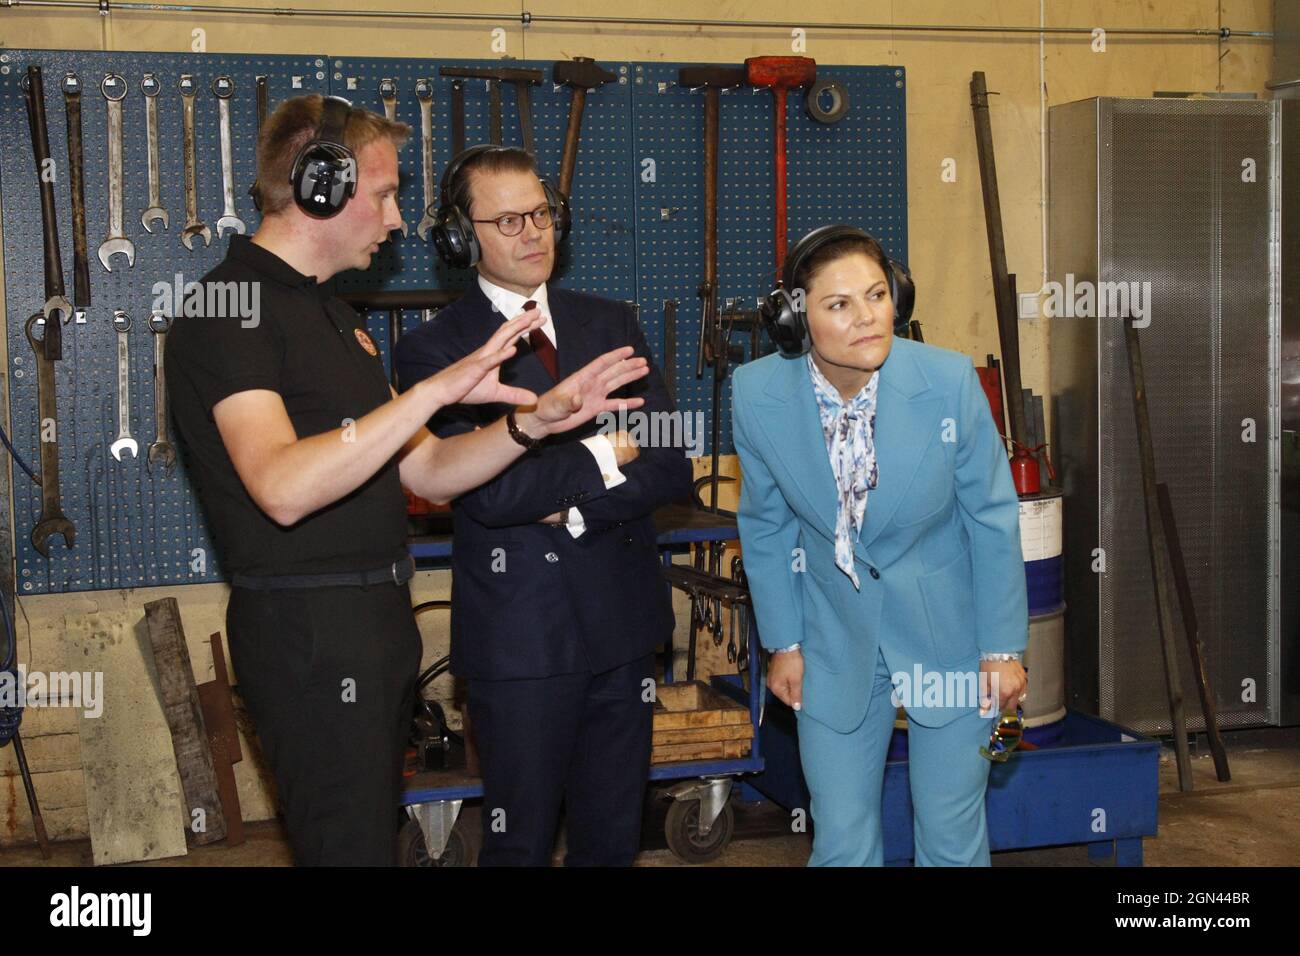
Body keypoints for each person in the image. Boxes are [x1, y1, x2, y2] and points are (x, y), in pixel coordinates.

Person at [165, 96, 650, 866]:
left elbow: (429, 469)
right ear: (320, 186)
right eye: (385, 194)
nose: (396, 221)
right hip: (309, 633)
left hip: (374, 624)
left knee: (367, 843)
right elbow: (282, 486)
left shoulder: (329, 315)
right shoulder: (232, 309)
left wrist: (538, 423)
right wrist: (432, 392)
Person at [395, 145, 692, 866]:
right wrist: (600, 453)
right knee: (518, 840)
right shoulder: (432, 353)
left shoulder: (610, 322)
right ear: (462, 240)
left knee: (613, 838)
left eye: (541, 214)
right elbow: (492, 494)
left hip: (624, 636)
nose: (533, 233)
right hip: (521, 646)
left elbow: (669, 465)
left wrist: (576, 507)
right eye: (506, 220)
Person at [732, 224, 1029, 866]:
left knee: (951, 835)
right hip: (832, 640)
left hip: (949, 639)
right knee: (842, 837)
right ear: (795, 319)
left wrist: (1001, 648)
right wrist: (783, 642)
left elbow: (992, 517)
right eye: (839, 304)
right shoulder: (757, 395)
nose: (868, 318)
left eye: (877, 295)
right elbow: (765, 524)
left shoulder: (948, 382)